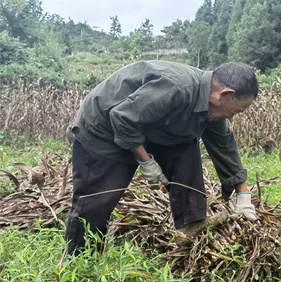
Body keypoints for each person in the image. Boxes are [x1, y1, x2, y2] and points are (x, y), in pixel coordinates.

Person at [65, 60, 259, 254]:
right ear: (225, 94)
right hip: (103, 129)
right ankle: (80, 258)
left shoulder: (211, 104)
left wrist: (243, 194)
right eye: (237, 110)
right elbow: (122, 117)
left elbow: (224, 144)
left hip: (145, 127)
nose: (232, 117)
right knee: (98, 199)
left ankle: (190, 226)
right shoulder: (177, 88)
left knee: (185, 144)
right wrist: (146, 161)